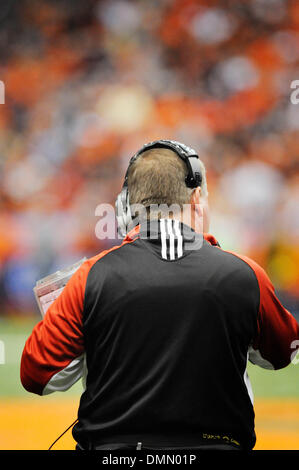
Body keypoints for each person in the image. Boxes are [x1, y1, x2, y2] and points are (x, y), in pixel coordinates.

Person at [21, 139, 299, 451]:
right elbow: (283, 353)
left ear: (127, 205)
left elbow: (37, 375)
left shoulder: (89, 278)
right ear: (196, 197)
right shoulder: (246, 275)